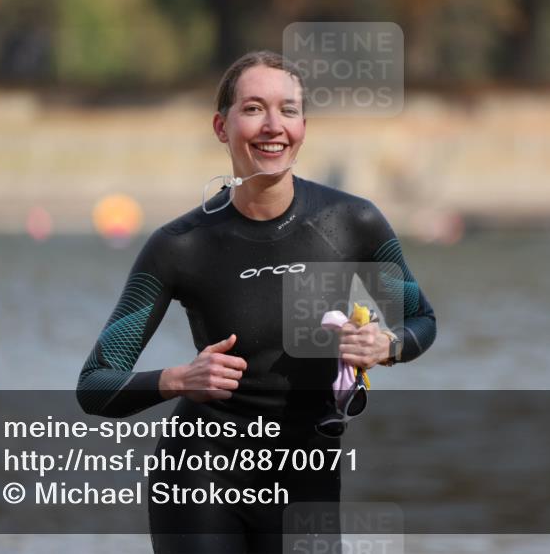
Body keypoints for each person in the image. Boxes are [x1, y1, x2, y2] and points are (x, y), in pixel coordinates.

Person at [76, 50, 436, 553]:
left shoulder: (353, 223)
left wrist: (385, 345)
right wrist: (177, 379)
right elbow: (95, 385)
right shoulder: (180, 244)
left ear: (304, 125)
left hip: (306, 478)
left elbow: (420, 320)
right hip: (198, 479)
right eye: (253, 109)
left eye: (288, 110)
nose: (273, 126)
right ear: (222, 127)